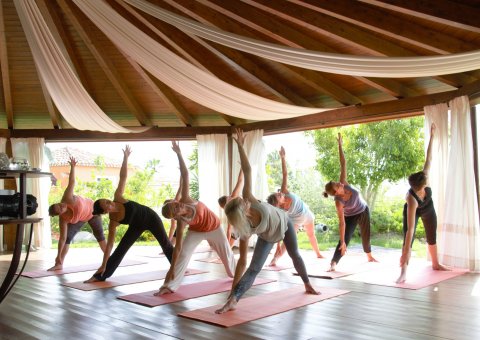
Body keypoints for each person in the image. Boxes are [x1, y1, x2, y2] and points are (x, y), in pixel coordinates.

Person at [216, 129, 318, 314]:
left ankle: (307, 284)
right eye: (242, 202)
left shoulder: (250, 199)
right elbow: (243, 262)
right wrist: (233, 293)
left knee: (295, 255)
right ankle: (234, 301)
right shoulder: (245, 229)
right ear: (243, 211)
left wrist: (240, 146)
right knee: (254, 269)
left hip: (284, 224)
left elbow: (247, 170)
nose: (245, 199)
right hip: (267, 237)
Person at [155, 141, 236, 295]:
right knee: (184, 254)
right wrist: (171, 269)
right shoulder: (181, 222)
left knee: (226, 252)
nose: (177, 206)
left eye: (174, 204)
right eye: (174, 210)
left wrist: (179, 154)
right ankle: (169, 286)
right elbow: (178, 248)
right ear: (176, 216)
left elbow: (185, 175)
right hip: (196, 231)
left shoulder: (186, 198)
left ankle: (235, 275)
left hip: (214, 228)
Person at [84, 146, 173, 282]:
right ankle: (101, 275)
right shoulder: (113, 221)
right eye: (106, 204)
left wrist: (125, 158)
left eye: (107, 200)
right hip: (136, 225)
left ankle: (178, 267)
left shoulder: (118, 197)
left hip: (151, 218)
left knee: (165, 244)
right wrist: (103, 264)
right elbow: (110, 245)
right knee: (121, 249)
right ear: (105, 211)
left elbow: (123, 177)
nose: (109, 203)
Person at [396, 123, 448, 283]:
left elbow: (429, 158)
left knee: (432, 235)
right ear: (422, 186)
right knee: (408, 239)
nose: (427, 176)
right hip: (416, 210)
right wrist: (406, 250)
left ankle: (435, 264)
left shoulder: (423, 176)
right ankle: (403, 272)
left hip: (428, 208)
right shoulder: (411, 199)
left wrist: (432, 136)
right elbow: (411, 229)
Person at [323, 133, 377, 271]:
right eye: (337, 185)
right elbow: (342, 223)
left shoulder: (344, 182)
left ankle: (369, 256)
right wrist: (342, 241)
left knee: (366, 235)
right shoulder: (338, 202)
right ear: (336, 192)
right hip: (350, 216)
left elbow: (343, 163)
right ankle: (333, 263)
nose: (340, 184)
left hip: (363, 210)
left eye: (338, 183)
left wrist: (340, 145)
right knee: (345, 239)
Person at [267, 146, 323, 266]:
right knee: (287, 243)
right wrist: (277, 244)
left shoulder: (284, 191)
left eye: (278, 193)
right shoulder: (281, 210)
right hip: (295, 220)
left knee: (311, 234)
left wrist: (283, 157)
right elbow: (278, 229)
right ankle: (274, 260)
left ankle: (318, 253)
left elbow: (285, 174)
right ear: (279, 203)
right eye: (278, 195)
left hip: (306, 214)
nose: (279, 192)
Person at [48, 156, 106, 271]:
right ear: (60, 214)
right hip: (81, 218)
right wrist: (57, 255)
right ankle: (59, 263)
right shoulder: (63, 219)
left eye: (59, 204)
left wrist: (73, 167)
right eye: (60, 208)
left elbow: (72, 182)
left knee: (99, 235)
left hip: (93, 212)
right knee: (68, 238)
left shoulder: (67, 198)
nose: (62, 205)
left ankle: (109, 258)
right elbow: (62, 238)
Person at [218, 169, 244, 247]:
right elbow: (229, 230)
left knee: (234, 236)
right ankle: (228, 250)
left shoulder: (233, 197)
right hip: (243, 222)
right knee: (233, 237)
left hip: (247, 217)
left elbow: (240, 180)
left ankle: (227, 250)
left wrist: (242, 168)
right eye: (228, 197)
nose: (229, 196)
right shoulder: (230, 211)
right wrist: (227, 243)